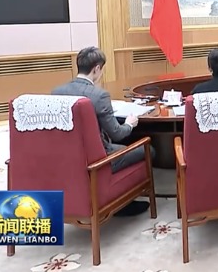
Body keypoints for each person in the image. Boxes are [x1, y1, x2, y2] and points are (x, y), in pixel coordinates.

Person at [52, 47, 153, 215]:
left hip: (69, 156)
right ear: (97, 68)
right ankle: (122, 202)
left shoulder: (57, 92)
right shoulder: (99, 95)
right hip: (100, 157)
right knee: (149, 149)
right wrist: (129, 124)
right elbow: (117, 134)